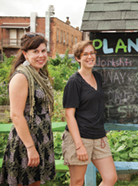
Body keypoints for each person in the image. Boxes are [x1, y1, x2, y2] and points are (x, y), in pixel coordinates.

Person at [0, 33, 55, 186]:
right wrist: (30, 147)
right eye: (35, 51)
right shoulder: (21, 77)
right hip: (26, 142)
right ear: (25, 54)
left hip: (41, 138)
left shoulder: (39, 74)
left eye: (43, 51)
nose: (41, 55)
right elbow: (16, 115)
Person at [62, 40, 117, 186]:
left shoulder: (97, 77)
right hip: (80, 138)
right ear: (77, 58)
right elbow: (69, 115)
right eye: (85, 54)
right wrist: (79, 145)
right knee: (77, 182)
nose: (89, 56)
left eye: (92, 53)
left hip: (98, 137)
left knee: (110, 178)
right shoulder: (74, 82)